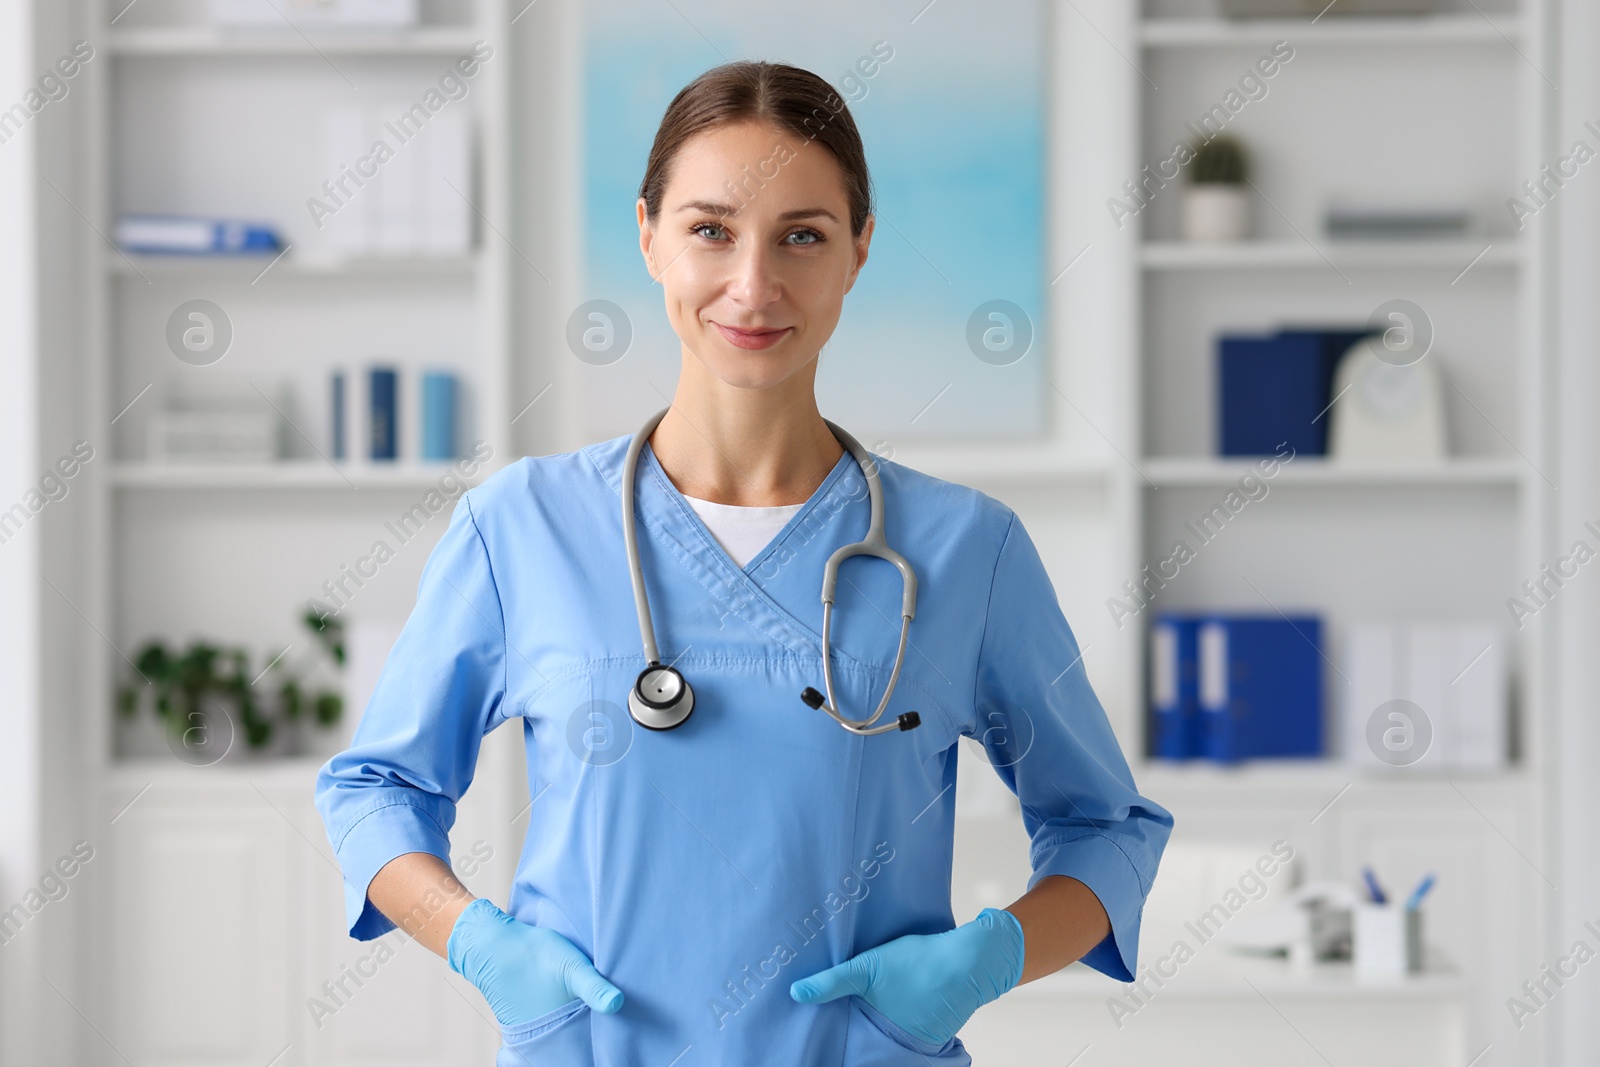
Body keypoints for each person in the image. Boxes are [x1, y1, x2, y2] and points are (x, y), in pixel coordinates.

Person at [314, 59, 1173, 1066]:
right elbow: (374, 786)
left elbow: (1106, 827)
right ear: (648, 237)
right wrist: (477, 939)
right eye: (710, 229)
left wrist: (983, 959)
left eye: (801, 235)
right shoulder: (521, 527)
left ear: (858, 248)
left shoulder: (963, 549)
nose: (753, 284)